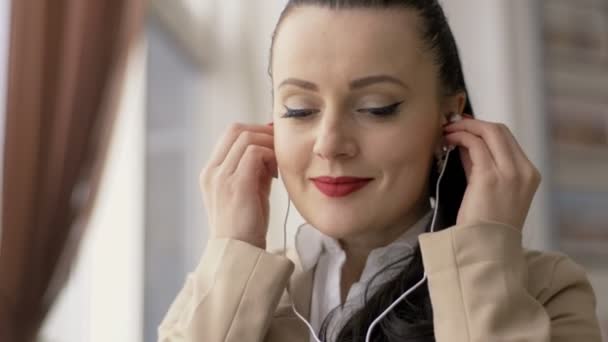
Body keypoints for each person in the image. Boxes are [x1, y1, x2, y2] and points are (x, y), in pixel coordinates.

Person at [158, 1, 603, 341]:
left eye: (377, 108)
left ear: (449, 119)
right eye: (299, 109)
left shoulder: (548, 292)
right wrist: (233, 250)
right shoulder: (215, 297)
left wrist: (482, 259)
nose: (330, 144)